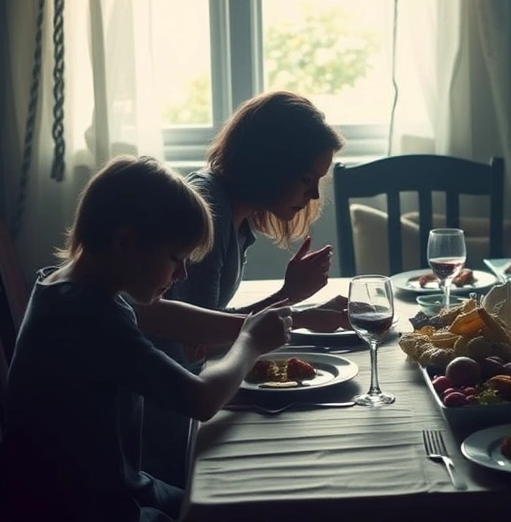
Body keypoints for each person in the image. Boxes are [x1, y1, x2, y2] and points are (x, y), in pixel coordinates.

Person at [1, 156, 293, 522]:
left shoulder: (70, 286)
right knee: (244, 505)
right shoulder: (90, 318)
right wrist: (250, 342)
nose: (182, 272)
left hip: (119, 488)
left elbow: (169, 317)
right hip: (85, 510)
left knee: (231, 501)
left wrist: (249, 325)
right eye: (176, 258)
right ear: (126, 242)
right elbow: (201, 400)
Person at [133, 90, 349, 487]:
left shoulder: (238, 214)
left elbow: (205, 328)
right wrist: (294, 310)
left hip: (178, 395)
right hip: (159, 426)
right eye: (307, 180)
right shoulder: (209, 212)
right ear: (271, 166)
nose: (314, 195)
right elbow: (190, 341)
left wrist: (289, 297)